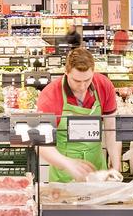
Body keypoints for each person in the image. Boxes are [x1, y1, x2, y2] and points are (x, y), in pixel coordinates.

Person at [37, 48, 121, 182]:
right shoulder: (50, 95)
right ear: (66, 72)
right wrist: (67, 163)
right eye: (76, 81)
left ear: (93, 71)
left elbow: (112, 130)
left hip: (97, 171)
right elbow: (41, 143)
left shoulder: (104, 85)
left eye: (87, 80)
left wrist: (116, 167)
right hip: (64, 173)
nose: (82, 87)